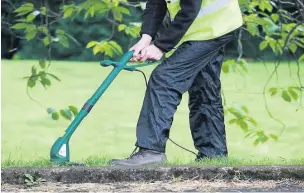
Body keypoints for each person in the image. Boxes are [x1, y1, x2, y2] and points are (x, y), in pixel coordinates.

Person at [110, 0, 243, 166]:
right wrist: (146, 38)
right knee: (204, 88)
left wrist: (159, 47)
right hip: (203, 27)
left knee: (164, 78)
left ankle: (152, 151)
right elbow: (156, 3)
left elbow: (190, 9)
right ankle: (213, 155)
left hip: (215, 25)